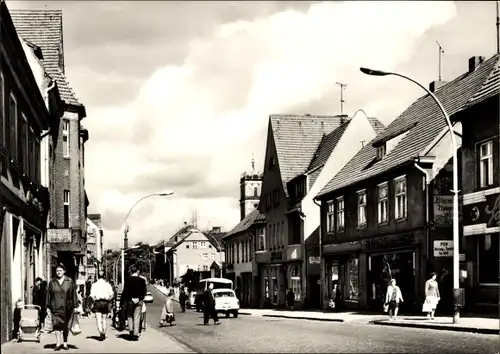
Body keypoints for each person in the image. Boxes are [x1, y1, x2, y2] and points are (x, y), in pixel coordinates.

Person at [46, 263, 79, 351]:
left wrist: (75, 306)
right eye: (57, 271)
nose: (58, 272)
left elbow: (73, 294)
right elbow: (49, 295)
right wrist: (48, 307)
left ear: (64, 271)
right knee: (56, 325)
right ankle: (58, 343)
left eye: (60, 270)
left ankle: (65, 343)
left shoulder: (69, 281)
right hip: (55, 307)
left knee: (65, 326)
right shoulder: (52, 282)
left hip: (67, 307)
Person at [121, 265, 147, 341]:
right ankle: (136, 335)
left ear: (131, 271)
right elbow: (144, 292)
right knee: (137, 317)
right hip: (139, 301)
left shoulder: (128, 280)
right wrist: (139, 298)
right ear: (137, 271)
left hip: (130, 301)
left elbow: (125, 292)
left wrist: (123, 301)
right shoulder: (142, 281)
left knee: (129, 316)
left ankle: (131, 332)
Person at [90, 270, 114, 341]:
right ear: (104, 277)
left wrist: (94, 300)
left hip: (97, 302)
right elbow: (112, 295)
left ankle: (100, 332)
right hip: (105, 302)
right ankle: (104, 332)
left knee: (98, 319)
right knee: (104, 319)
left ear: (97, 276)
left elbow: (91, 295)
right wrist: (108, 300)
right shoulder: (107, 284)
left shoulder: (94, 285)